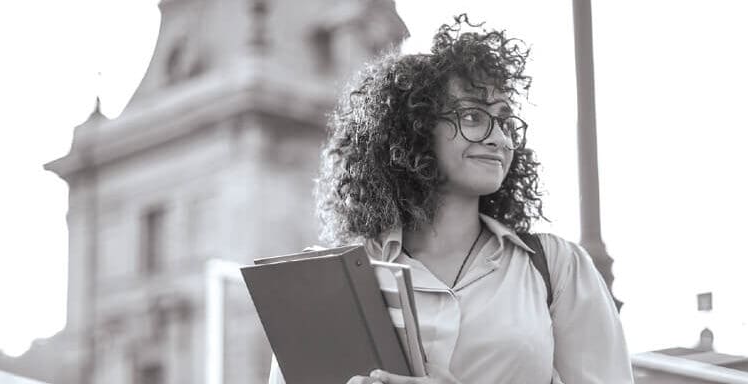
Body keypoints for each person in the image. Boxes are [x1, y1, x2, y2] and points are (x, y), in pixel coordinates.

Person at [270, 14, 634, 384]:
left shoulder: (556, 268)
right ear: (415, 128)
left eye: (506, 122)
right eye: (474, 117)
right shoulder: (335, 281)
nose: (500, 139)